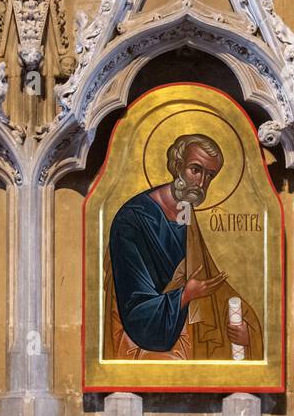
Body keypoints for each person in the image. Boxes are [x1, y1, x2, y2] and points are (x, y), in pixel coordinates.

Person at [104, 132, 261, 360]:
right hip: (144, 342)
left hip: (183, 327)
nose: (201, 183)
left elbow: (208, 279)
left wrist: (250, 333)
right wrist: (186, 294)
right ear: (177, 166)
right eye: (195, 170)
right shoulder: (132, 219)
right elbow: (135, 309)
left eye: (210, 175)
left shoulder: (185, 212)